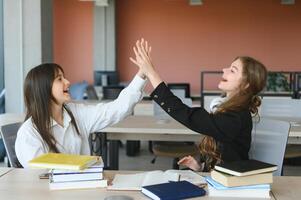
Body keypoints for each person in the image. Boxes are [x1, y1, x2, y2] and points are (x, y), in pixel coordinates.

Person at [130, 39, 267, 172]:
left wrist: (151, 73)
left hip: (230, 188)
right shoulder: (230, 110)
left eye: (233, 70)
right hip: (218, 180)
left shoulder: (236, 116)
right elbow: (224, 153)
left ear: (246, 84)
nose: (224, 69)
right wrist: (200, 167)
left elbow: (188, 115)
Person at [15, 63, 147, 168]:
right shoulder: (28, 133)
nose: (68, 82)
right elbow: (40, 176)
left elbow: (114, 110)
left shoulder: (76, 113)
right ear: (43, 89)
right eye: (59, 79)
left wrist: (141, 74)